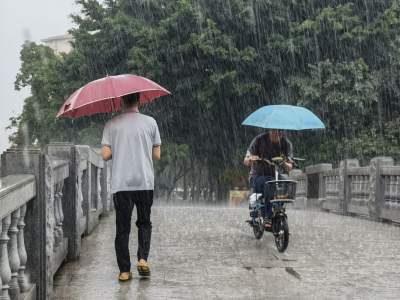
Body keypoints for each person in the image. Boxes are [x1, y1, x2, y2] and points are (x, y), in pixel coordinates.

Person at [101, 92, 161, 281]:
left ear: (121, 101)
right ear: (139, 101)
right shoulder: (151, 122)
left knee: (122, 228)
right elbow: (157, 154)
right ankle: (142, 258)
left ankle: (124, 271)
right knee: (144, 222)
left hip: (121, 184)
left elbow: (104, 155)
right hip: (144, 182)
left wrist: (119, 148)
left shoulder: (111, 124)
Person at [243, 130, 293, 224]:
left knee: (286, 181)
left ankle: (279, 208)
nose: (277, 133)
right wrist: (251, 159)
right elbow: (246, 160)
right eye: (274, 130)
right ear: (270, 130)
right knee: (269, 182)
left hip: (276, 176)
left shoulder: (286, 144)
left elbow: (290, 167)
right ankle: (267, 215)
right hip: (257, 176)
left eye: (280, 130)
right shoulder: (259, 140)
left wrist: (284, 163)